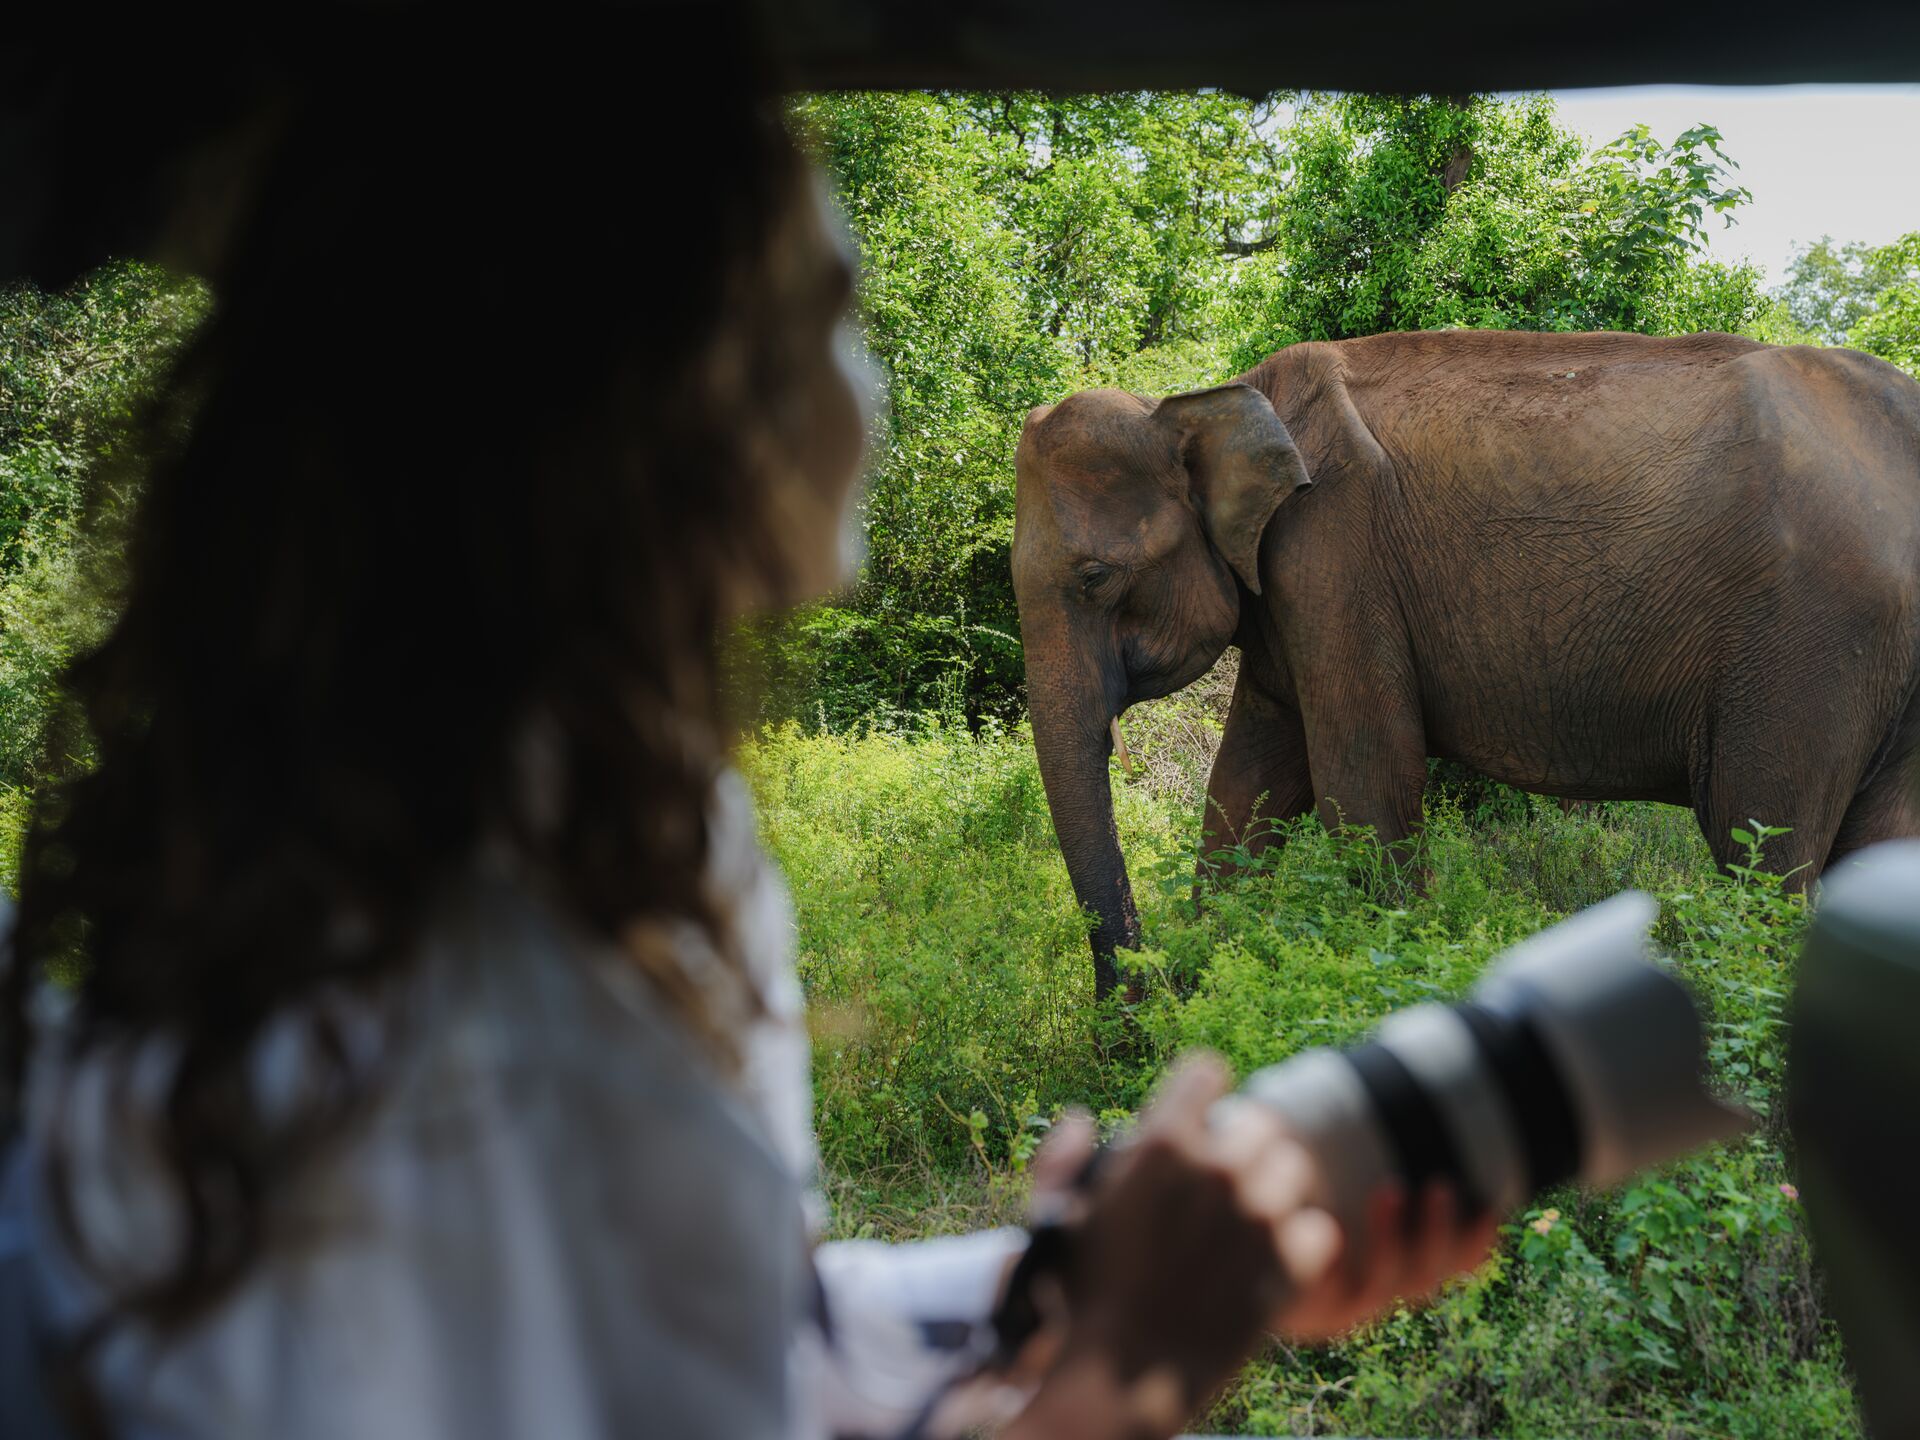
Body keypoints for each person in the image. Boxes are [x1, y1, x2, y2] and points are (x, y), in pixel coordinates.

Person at [0, 43, 1495, 1440]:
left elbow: (739, 1330)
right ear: (656, 374)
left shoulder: (602, 803)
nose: (867, 373)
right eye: (833, 297)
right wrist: (1110, 1378)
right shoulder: (490, 945)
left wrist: (1055, 1275)